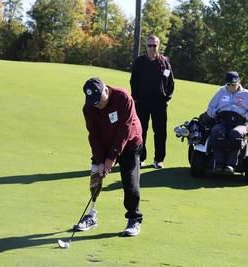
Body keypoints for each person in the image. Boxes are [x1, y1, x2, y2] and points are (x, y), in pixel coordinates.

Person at [78, 77, 143, 237]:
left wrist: (111, 158)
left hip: (130, 143)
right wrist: (100, 160)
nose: (97, 104)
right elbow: (93, 135)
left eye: (99, 100)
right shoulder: (89, 108)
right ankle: (91, 215)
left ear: (106, 90)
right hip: (105, 142)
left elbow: (125, 130)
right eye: (93, 101)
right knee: (95, 176)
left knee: (130, 182)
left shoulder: (123, 98)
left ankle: (134, 219)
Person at [130, 35, 175, 169]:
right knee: (140, 131)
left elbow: (171, 82)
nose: (152, 48)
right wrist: (135, 97)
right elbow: (133, 81)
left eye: (154, 45)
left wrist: (166, 98)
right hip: (142, 102)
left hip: (159, 104)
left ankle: (159, 159)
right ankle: (140, 158)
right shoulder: (139, 62)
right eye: (149, 45)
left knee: (160, 132)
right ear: (146, 46)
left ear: (158, 46)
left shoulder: (164, 62)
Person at [206, 71, 248, 173]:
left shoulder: (247, 95)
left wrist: (246, 116)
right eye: (228, 84)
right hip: (222, 121)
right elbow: (210, 108)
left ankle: (231, 165)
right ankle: (218, 163)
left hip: (240, 123)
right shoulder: (221, 92)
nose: (231, 87)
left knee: (236, 134)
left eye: (233, 85)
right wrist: (214, 113)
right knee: (216, 131)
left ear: (239, 82)